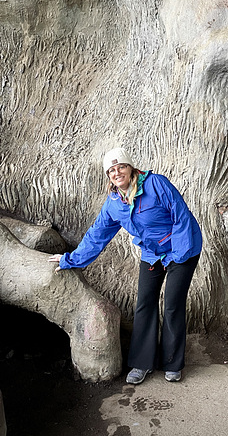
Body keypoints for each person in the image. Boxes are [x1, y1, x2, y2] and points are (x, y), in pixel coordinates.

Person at [48, 147, 202, 385]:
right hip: (152, 253)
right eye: (111, 170)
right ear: (108, 176)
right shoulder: (114, 204)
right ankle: (142, 363)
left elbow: (181, 216)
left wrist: (178, 257)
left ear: (131, 168)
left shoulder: (156, 185)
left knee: (172, 305)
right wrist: (70, 259)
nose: (117, 172)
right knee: (145, 303)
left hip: (183, 248)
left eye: (121, 167)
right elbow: (96, 235)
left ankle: (172, 363)